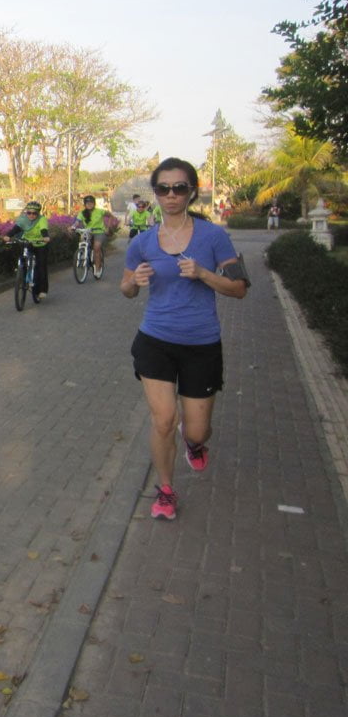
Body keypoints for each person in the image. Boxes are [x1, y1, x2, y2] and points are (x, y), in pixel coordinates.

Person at [121, 158, 248, 522]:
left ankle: (194, 442)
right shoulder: (143, 242)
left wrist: (204, 273)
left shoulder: (214, 237)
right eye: (163, 188)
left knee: (197, 428)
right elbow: (125, 288)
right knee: (163, 420)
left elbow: (240, 288)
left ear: (192, 191)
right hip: (155, 340)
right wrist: (134, 283)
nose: (171, 195)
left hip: (201, 344)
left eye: (179, 188)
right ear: (155, 193)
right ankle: (165, 490)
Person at [4, 201, 50, 300]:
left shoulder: (42, 219)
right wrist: (8, 235)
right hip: (27, 242)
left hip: (40, 244)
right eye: (29, 213)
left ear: (38, 213)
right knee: (23, 259)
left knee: (40, 266)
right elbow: (16, 228)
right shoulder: (23, 219)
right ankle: (22, 276)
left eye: (34, 213)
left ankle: (42, 290)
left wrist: (45, 237)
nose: (31, 215)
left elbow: (43, 230)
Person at [74, 195, 108, 274]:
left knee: (96, 248)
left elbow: (110, 216)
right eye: (87, 203)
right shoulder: (82, 213)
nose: (89, 204)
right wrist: (73, 226)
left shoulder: (100, 211)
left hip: (99, 232)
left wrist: (108, 227)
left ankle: (98, 268)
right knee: (82, 239)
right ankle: (83, 253)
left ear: (94, 203)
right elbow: (77, 222)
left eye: (91, 203)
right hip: (88, 232)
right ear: (85, 204)